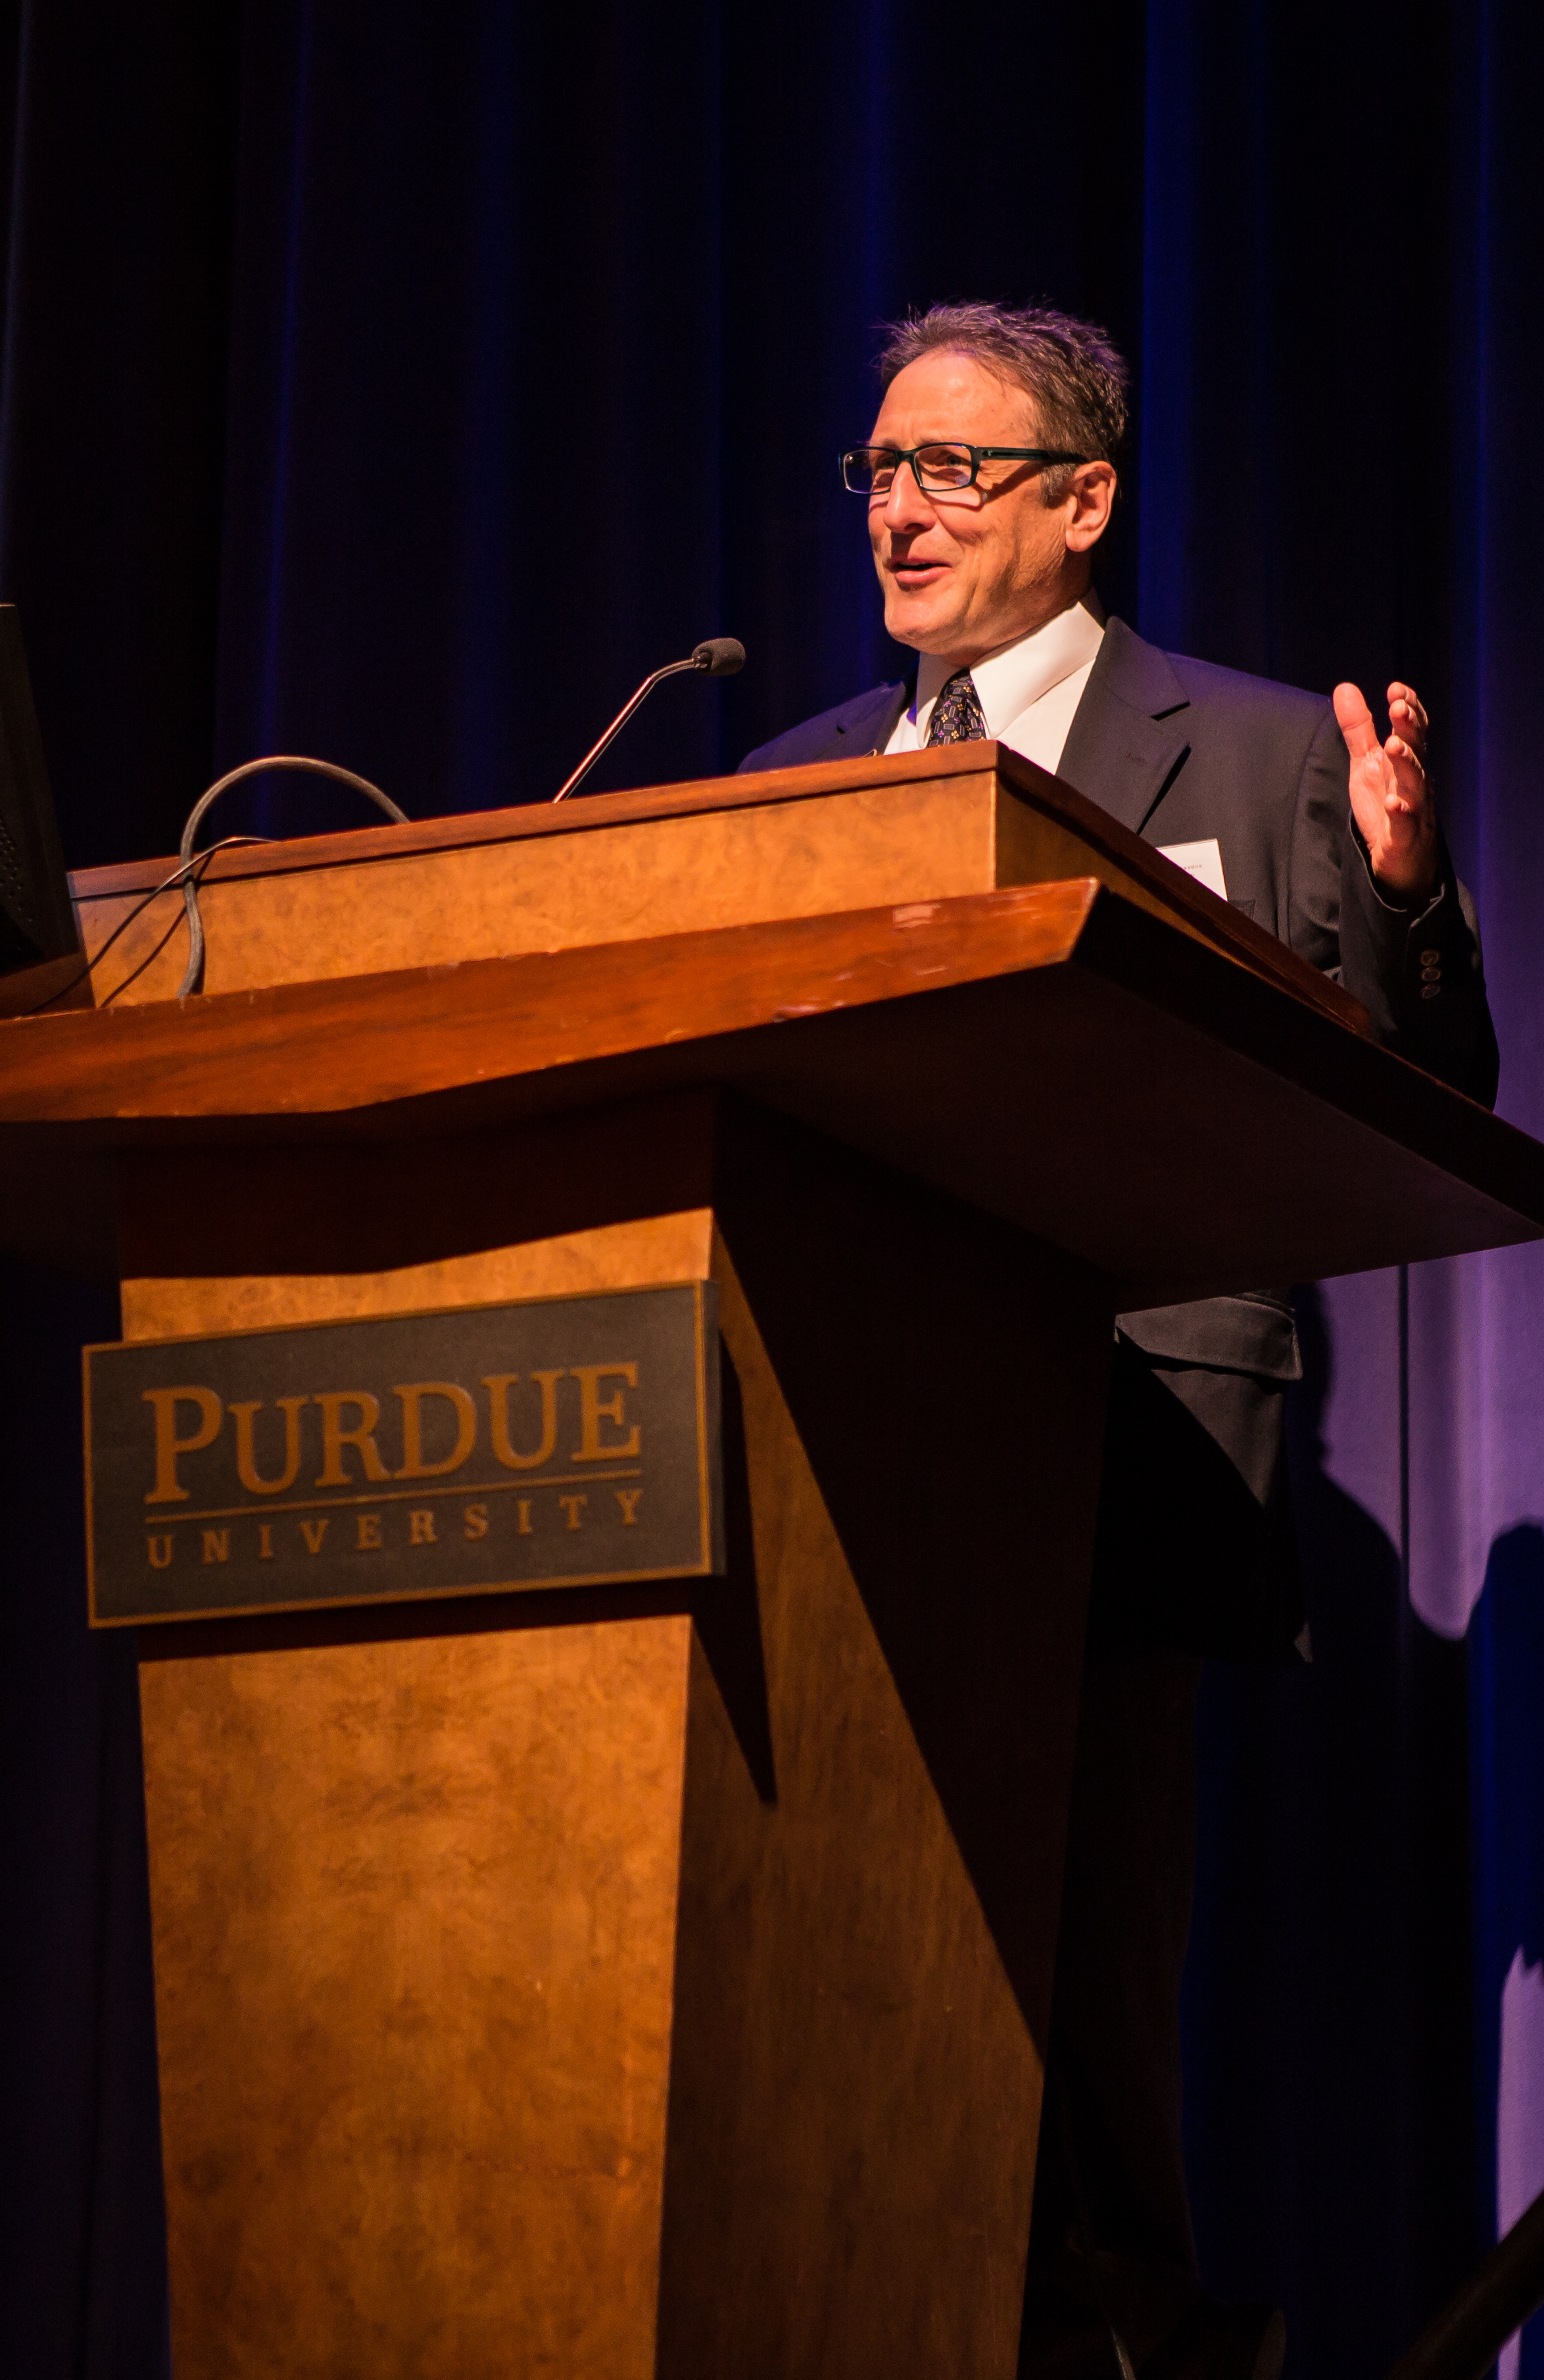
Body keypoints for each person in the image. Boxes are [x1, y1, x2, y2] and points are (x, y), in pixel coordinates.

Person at [739, 303, 1500, 2380]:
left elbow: (1429, 1087)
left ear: (1082, 503)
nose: (902, 507)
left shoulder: (1259, 753)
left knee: (1077, 2003)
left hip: (1127, 1452)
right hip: (830, 1435)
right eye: (882, 468)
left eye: (954, 470)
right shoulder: (785, 777)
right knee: (833, 1992)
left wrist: (1415, 896)